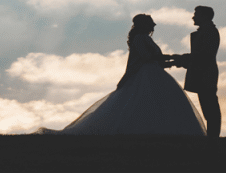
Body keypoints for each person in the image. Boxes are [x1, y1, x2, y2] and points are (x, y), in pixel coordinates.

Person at [38, 13, 206, 135]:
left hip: (152, 72)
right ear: (144, 25)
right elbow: (147, 58)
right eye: (151, 23)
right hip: (145, 75)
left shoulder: (145, 39)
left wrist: (176, 62)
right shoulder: (140, 38)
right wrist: (174, 57)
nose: (154, 26)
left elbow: (156, 61)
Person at [165, 5, 221, 138]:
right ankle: (212, 137)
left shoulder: (208, 32)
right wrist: (176, 59)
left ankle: (213, 137)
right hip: (203, 73)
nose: (193, 17)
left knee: (210, 108)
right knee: (208, 107)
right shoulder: (206, 31)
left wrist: (176, 60)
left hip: (205, 74)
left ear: (205, 16)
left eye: (196, 14)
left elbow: (201, 56)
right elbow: (198, 56)